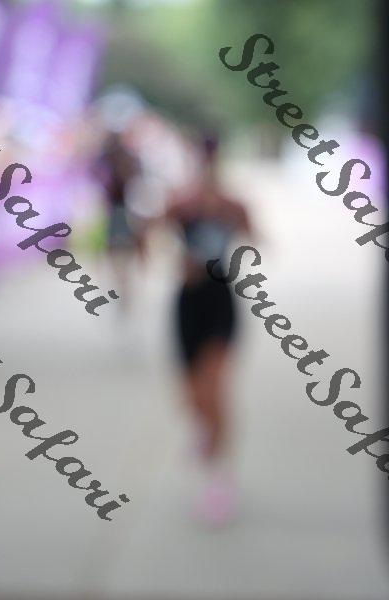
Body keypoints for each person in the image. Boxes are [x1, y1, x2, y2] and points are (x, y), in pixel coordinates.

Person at [166, 135, 253, 524]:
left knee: (214, 389)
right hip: (188, 303)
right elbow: (154, 232)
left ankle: (219, 479)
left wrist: (229, 215)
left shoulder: (232, 204)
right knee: (192, 395)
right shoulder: (179, 202)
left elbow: (256, 236)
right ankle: (205, 434)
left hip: (219, 301)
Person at [94, 131, 142, 309]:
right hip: (119, 212)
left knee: (119, 253)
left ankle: (123, 285)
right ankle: (124, 285)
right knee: (120, 253)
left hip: (120, 212)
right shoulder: (121, 159)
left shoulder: (114, 159)